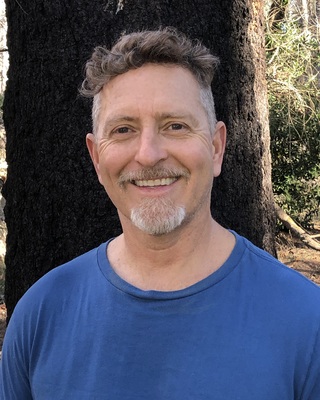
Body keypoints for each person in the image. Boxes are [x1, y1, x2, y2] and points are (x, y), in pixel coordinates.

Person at [1, 28, 320, 400]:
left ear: (216, 148)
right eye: (123, 130)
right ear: (97, 158)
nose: (149, 154)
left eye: (175, 126)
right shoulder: (40, 316)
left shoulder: (305, 322)